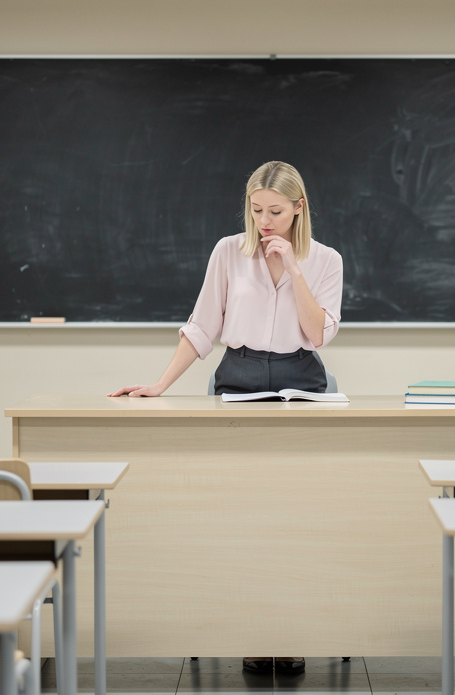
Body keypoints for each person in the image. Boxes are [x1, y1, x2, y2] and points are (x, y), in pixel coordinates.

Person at [110, 160, 343, 674]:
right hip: (238, 376)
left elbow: (318, 334)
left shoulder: (326, 260)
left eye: (275, 212)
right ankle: (250, 630)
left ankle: (293, 629)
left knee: (297, 512)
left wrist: (295, 269)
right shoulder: (228, 252)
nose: (264, 222)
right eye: (256, 210)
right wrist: (159, 385)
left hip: (301, 378)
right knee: (239, 510)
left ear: (299, 208)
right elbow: (201, 327)